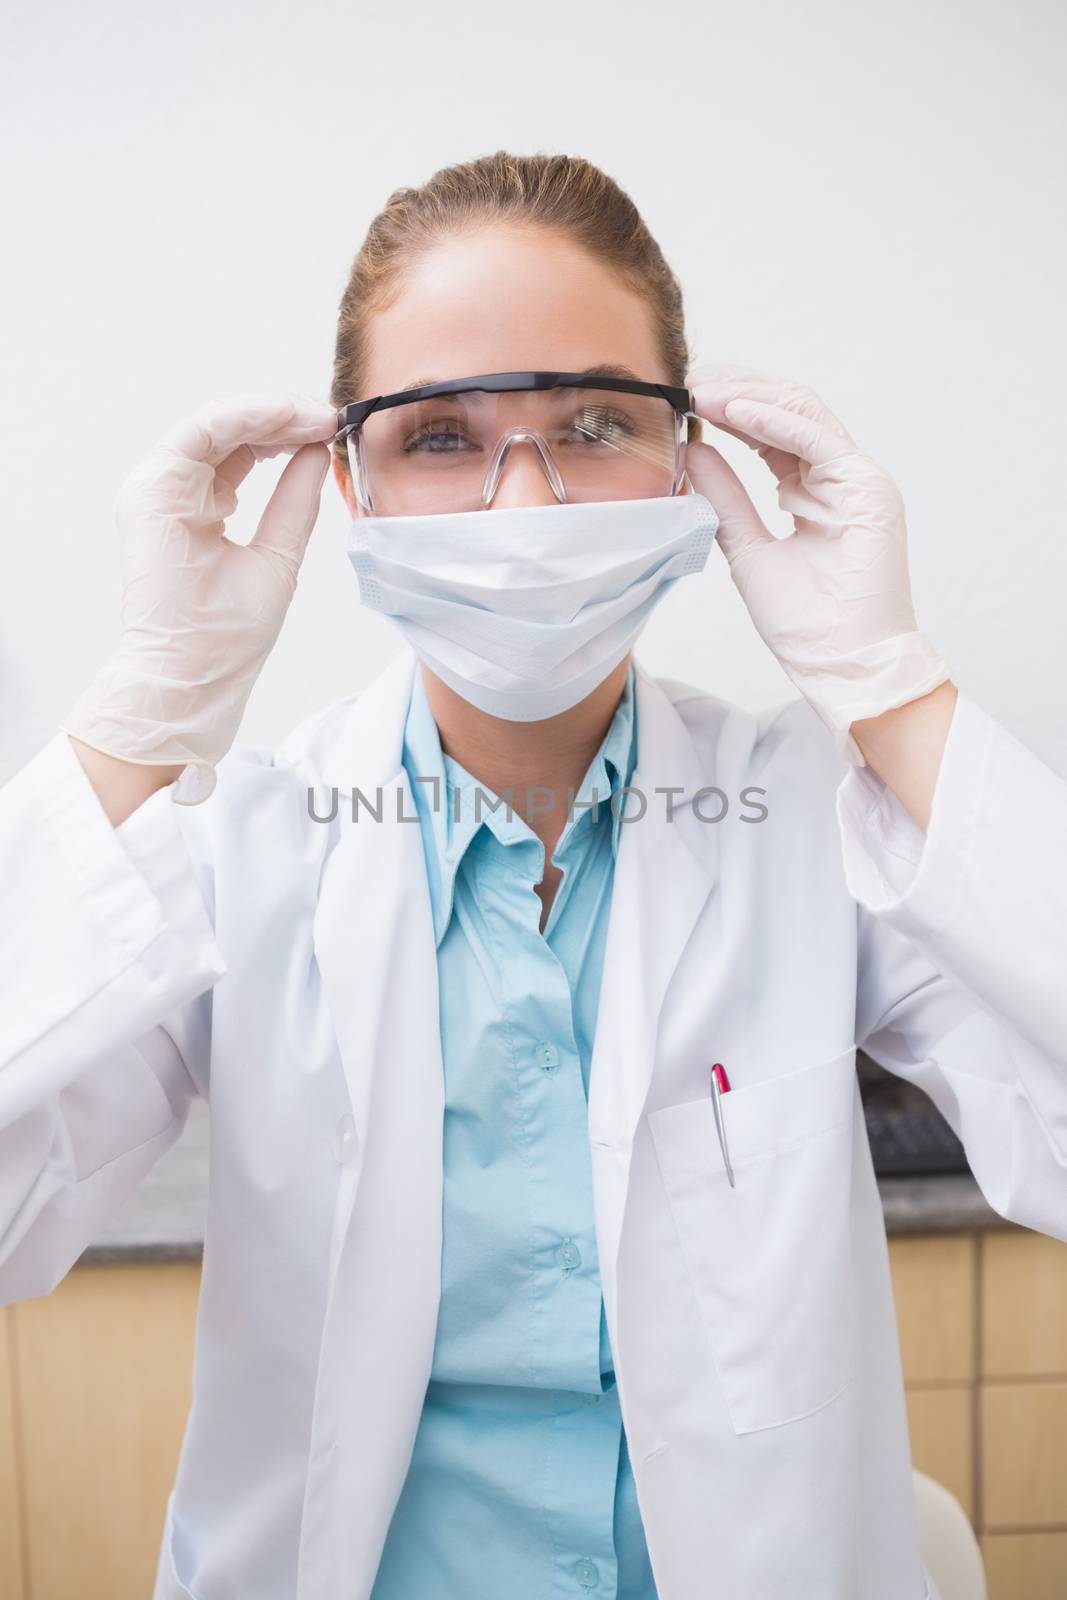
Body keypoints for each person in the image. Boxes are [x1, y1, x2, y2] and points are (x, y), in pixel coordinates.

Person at [1, 150, 1064, 1600]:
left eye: (593, 422)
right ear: (348, 484)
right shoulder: (246, 850)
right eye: (439, 435)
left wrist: (892, 688)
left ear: (686, 462)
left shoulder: (808, 820)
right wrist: (134, 725)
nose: (523, 499)